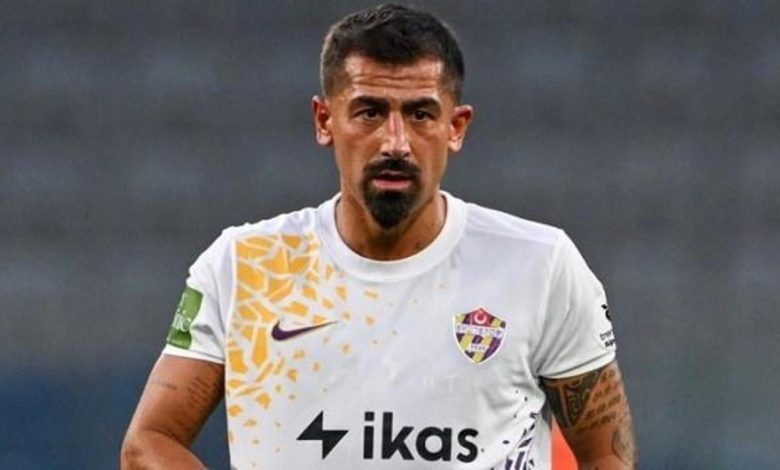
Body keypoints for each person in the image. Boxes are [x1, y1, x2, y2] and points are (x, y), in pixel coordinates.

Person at [121, 4, 637, 469]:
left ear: (456, 127)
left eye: (420, 114)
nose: (396, 142)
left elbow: (605, 456)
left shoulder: (539, 266)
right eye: (370, 112)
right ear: (325, 120)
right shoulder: (246, 265)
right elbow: (150, 441)